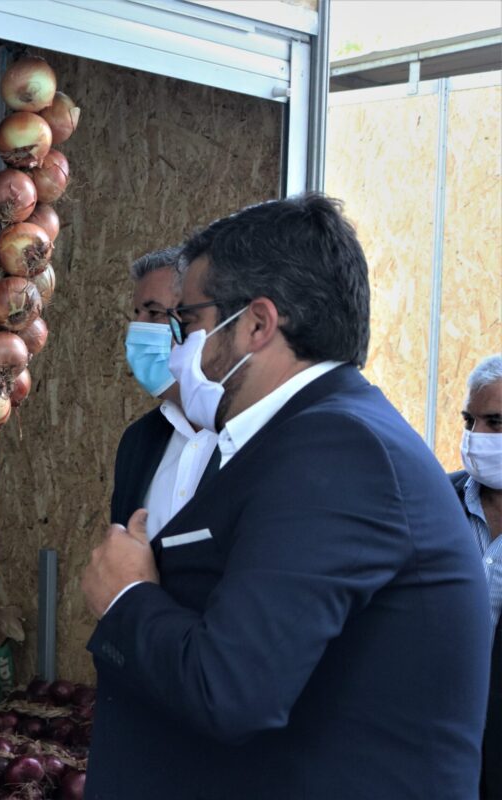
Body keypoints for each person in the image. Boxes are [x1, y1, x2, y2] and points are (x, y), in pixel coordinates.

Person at [79, 194, 488, 799]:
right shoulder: (286, 441)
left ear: (256, 324)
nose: (177, 346)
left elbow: (232, 688)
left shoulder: (341, 451)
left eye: (188, 321)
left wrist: (129, 597)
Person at [112, 246, 219, 535]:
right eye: (137, 312)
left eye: (154, 312)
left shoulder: (248, 435)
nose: (138, 326)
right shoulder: (138, 442)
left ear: (198, 320)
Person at [450, 354, 502, 799]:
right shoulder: (433, 500)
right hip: (437, 730)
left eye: (495, 422)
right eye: (470, 419)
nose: (476, 436)